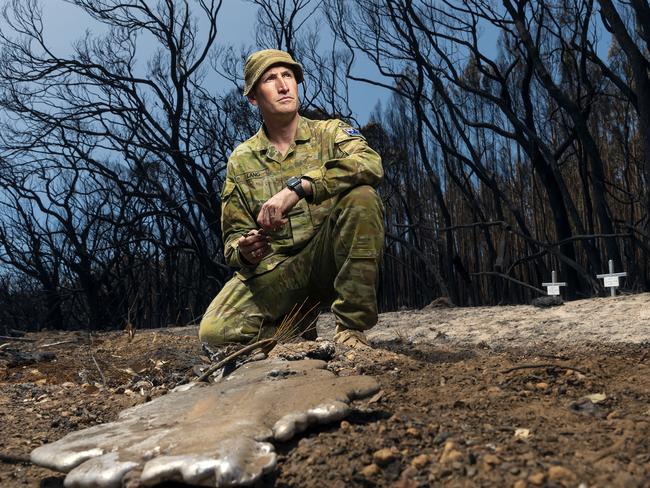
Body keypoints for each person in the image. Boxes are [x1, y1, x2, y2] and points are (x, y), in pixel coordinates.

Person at [199, 49, 384, 349]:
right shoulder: (242, 160)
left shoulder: (330, 132)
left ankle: (351, 330)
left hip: (330, 258)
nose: (284, 86)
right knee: (214, 332)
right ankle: (294, 329)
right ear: (253, 98)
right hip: (279, 274)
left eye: (289, 76)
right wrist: (245, 250)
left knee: (363, 197)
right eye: (271, 79)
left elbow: (370, 163)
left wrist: (299, 188)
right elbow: (232, 242)